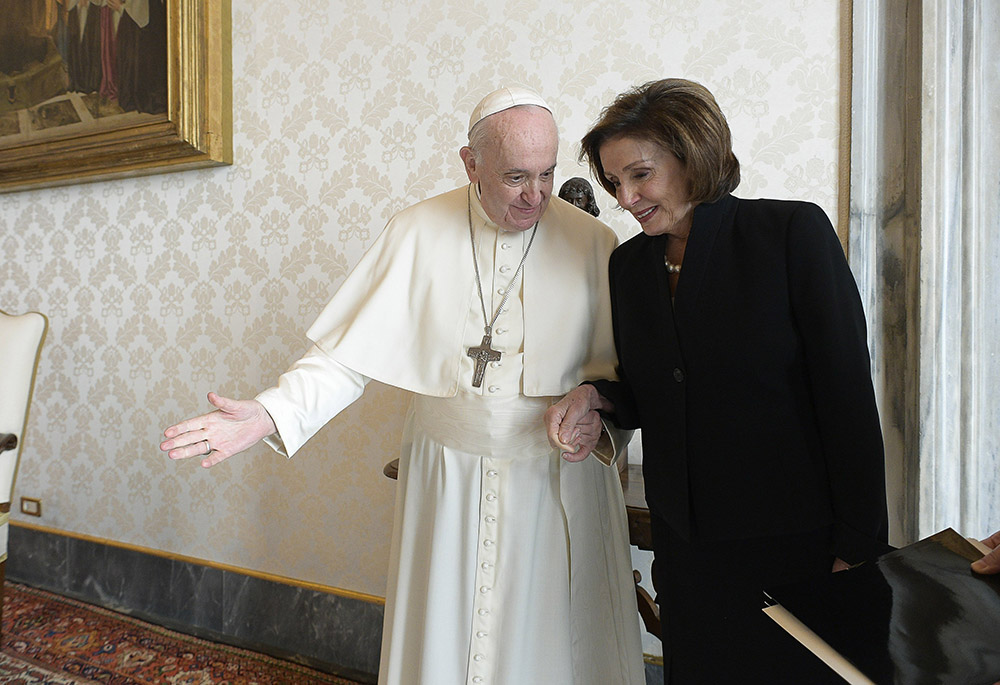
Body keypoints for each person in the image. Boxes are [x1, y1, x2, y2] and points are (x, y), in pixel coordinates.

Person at [161, 87, 645, 685]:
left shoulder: (594, 243)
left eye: (548, 175)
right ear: (470, 164)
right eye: (515, 177)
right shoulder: (416, 231)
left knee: (554, 643)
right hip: (448, 475)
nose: (535, 196)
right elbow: (347, 355)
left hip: (556, 481)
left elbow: (625, 379)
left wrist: (597, 407)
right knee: (444, 640)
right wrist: (270, 413)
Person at [545, 78, 890, 684]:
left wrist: (857, 547)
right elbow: (658, 391)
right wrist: (599, 396)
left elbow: (847, 399)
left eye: (640, 175)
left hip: (796, 548)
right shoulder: (628, 267)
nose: (625, 198)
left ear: (692, 156)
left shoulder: (791, 235)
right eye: (613, 182)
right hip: (691, 556)